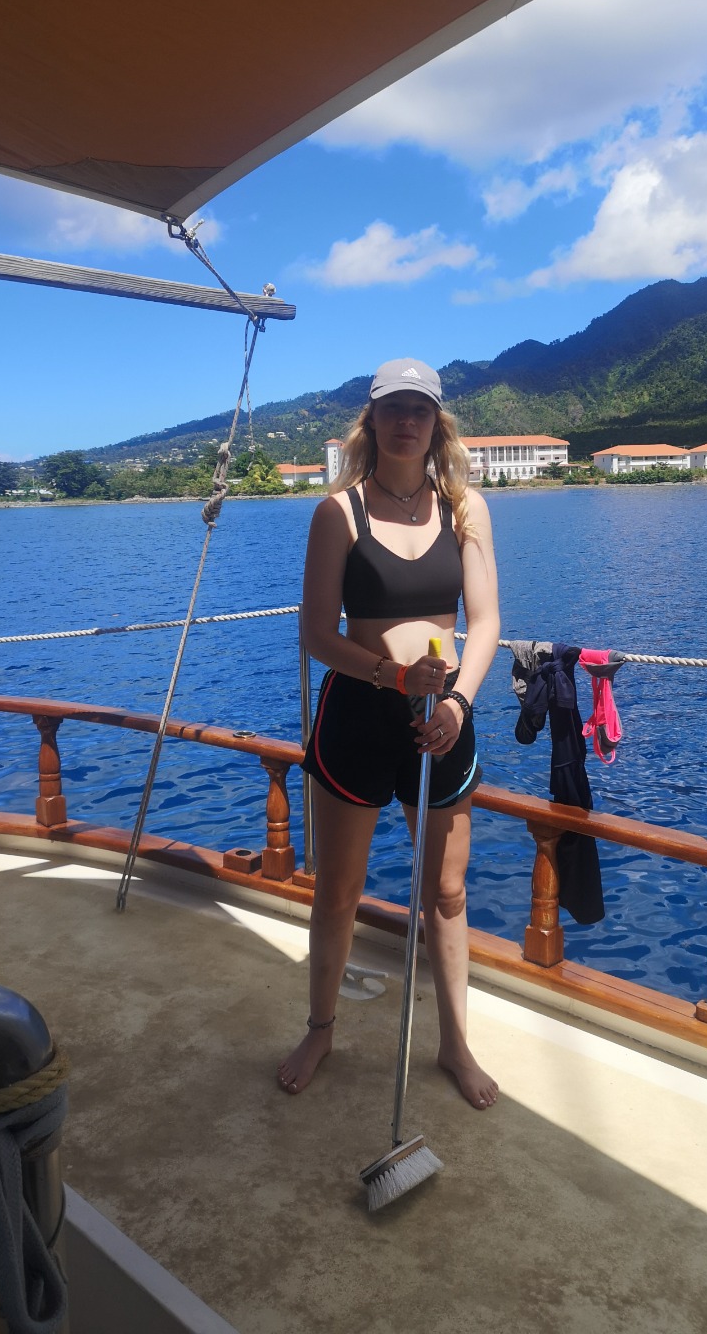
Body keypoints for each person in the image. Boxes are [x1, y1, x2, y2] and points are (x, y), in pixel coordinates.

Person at [277, 358, 501, 1109]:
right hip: (360, 713)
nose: (407, 421)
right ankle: (320, 1029)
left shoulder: (465, 509)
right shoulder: (338, 512)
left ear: (438, 422)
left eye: (421, 409)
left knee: (447, 891)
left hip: (443, 717)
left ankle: (456, 1045)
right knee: (338, 890)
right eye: (393, 408)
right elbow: (317, 633)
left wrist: (457, 704)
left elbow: (485, 623)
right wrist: (391, 677)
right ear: (371, 420)